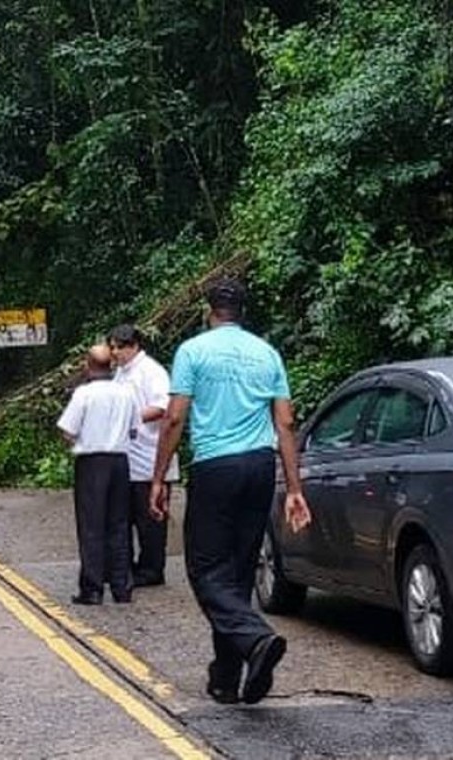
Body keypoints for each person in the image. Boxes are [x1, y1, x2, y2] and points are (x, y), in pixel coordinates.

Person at [149, 278, 311, 705]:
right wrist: (294, 487)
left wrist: (158, 478)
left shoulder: (193, 351)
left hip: (215, 467)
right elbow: (286, 424)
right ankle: (227, 678)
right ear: (242, 312)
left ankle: (255, 638)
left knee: (205, 571)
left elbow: (175, 418)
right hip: (259, 466)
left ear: (209, 310)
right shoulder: (267, 353)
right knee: (237, 573)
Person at [57, 344, 139, 605]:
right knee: (119, 524)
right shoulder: (126, 393)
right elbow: (135, 429)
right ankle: (122, 586)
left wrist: (76, 442)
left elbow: (67, 430)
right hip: (120, 461)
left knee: (92, 525)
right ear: (111, 365)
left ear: (87, 365)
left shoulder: (84, 394)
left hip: (92, 462)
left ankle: (92, 588)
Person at [108, 324, 179, 588]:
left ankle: (152, 569)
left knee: (150, 519)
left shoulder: (151, 371)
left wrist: (131, 417)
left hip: (151, 456)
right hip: (127, 456)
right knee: (124, 517)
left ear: (134, 346)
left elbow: (163, 406)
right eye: (112, 347)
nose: (115, 353)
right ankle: (126, 566)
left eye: (119, 347)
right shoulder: (121, 373)